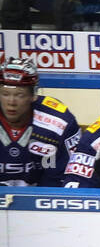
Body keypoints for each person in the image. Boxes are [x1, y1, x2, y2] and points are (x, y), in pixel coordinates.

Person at [0, 57, 79, 186]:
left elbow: (67, 178)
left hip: (41, 199)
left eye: (19, 94)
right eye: (5, 94)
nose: (11, 102)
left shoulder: (59, 122)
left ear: (34, 95)